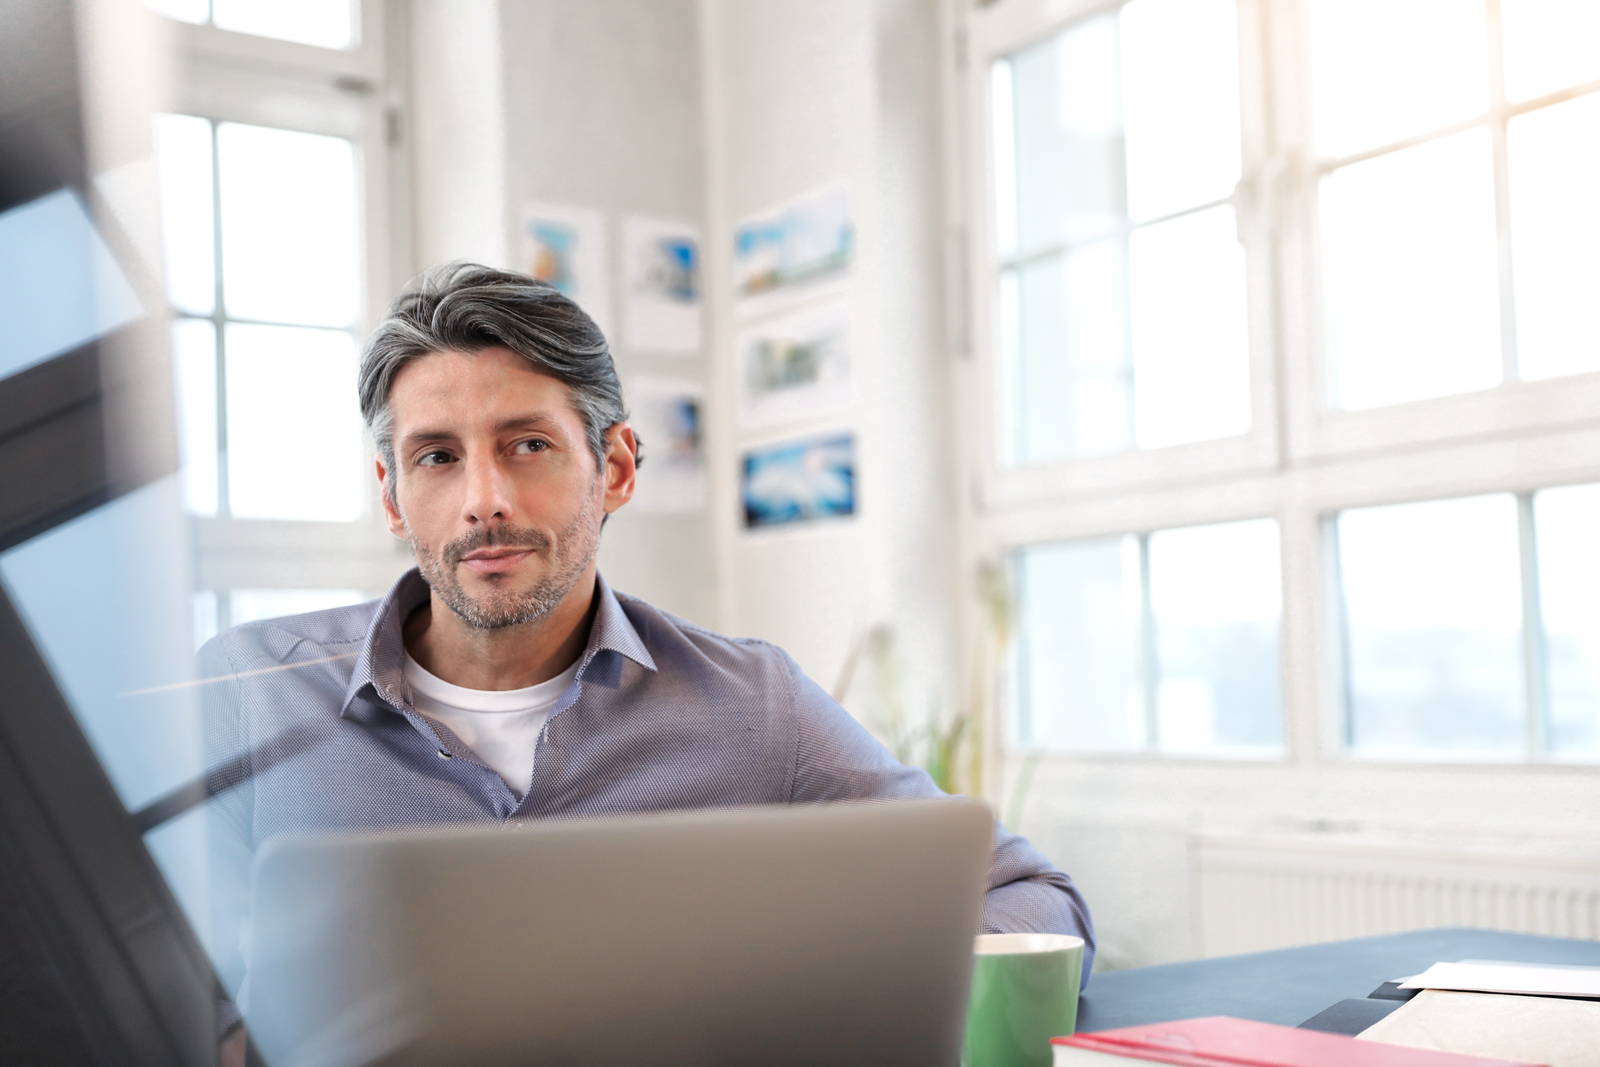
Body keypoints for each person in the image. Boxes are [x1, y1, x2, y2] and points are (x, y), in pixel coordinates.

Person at [200, 262, 1094, 996]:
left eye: (528, 444)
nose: (484, 501)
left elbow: (1032, 899)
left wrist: (823, 994)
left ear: (617, 467)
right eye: (438, 457)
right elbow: (141, 988)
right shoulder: (245, 697)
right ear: (393, 495)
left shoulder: (754, 706)